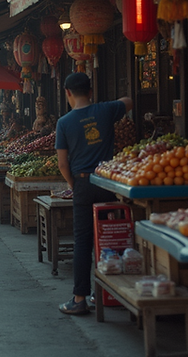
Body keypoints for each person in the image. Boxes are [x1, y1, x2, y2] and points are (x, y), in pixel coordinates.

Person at [55, 72, 132, 316]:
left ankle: (80, 298)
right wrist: (104, 106)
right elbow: (129, 101)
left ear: (68, 93)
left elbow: (62, 164)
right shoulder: (106, 110)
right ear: (90, 91)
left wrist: (72, 184)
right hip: (108, 183)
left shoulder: (64, 122)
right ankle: (115, 294)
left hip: (83, 184)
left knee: (83, 241)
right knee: (111, 237)